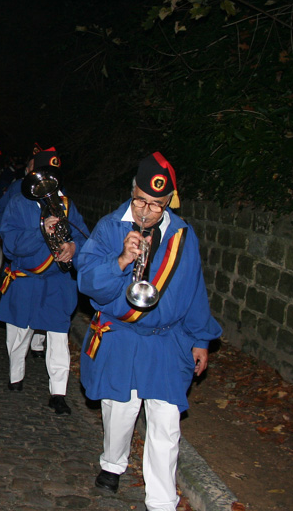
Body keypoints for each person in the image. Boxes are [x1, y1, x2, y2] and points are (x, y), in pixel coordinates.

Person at [77, 152, 222, 511]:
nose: (146, 211)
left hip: (167, 341)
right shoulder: (111, 227)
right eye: (141, 200)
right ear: (132, 191)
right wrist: (121, 261)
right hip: (122, 337)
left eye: (157, 205)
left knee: (167, 422)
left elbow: (194, 289)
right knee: (119, 411)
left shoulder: (181, 235)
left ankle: (161, 501)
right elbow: (88, 282)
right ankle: (113, 462)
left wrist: (200, 338)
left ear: (168, 201)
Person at [0, 148, 89, 414]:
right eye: (43, 174)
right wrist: (41, 231)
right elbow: (11, 247)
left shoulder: (68, 205)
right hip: (26, 281)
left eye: (53, 176)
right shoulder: (17, 203)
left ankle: (58, 393)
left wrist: (73, 248)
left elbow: (85, 239)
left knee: (59, 337)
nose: (48, 181)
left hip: (56, 282)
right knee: (18, 337)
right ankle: (16, 376)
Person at [0, 143, 46, 355]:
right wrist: (6, 235)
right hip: (21, 253)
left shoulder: (56, 191)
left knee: (46, 302)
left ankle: (38, 340)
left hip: (46, 262)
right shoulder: (17, 189)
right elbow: (0, 213)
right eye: (32, 167)